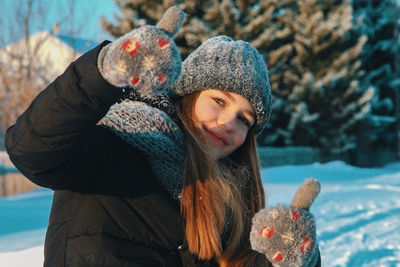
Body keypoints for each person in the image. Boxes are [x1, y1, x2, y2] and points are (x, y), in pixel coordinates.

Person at [5, 6, 320, 267]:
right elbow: (31, 148)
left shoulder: (224, 199)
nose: (228, 123)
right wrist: (103, 73)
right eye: (219, 101)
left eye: (244, 119)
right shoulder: (115, 144)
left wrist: (294, 258)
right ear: (188, 96)